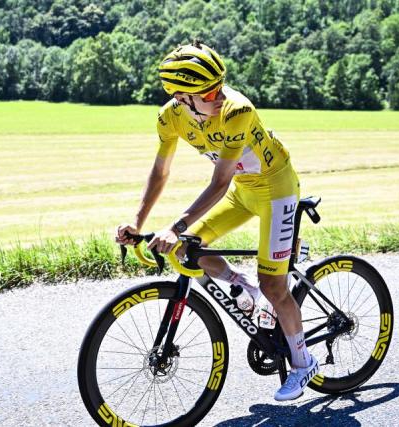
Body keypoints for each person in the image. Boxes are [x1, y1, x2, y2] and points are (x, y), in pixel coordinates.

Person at [115, 41, 318, 401]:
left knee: (274, 285)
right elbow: (161, 171)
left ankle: (304, 364)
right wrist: (136, 222)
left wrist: (174, 226)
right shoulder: (170, 117)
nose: (219, 95)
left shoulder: (237, 111)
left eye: (218, 86)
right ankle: (242, 287)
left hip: (277, 189)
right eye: (208, 91)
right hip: (244, 191)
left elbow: (219, 182)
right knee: (186, 250)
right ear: (181, 97)